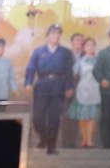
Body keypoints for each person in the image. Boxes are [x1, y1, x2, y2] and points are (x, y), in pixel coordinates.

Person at [27, 23, 74, 153]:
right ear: (47, 36)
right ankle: (44, 137)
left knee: (54, 118)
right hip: (42, 86)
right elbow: (31, 68)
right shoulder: (38, 51)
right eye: (53, 33)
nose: (56, 36)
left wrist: (69, 87)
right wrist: (28, 82)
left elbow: (68, 71)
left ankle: (51, 146)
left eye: (58, 33)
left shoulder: (66, 53)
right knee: (38, 118)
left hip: (58, 87)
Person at [75, 38, 102, 148]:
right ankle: (84, 139)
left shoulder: (98, 61)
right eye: (87, 45)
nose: (90, 47)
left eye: (92, 45)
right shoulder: (80, 61)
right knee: (82, 116)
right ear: (83, 47)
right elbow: (73, 73)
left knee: (92, 116)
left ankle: (90, 140)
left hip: (95, 89)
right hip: (82, 89)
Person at [97, 27, 110, 147]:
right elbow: (96, 70)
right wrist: (101, 79)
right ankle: (107, 143)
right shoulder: (103, 53)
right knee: (106, 116)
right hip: (107, 91)